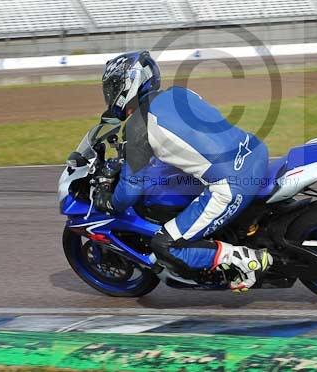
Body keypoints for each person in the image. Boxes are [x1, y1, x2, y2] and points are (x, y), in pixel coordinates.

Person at [92, 50, 272, 291]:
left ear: (129, 84)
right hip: (255, 152)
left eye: (114, 87)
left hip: (232, 184)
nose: (110, 94)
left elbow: (131, 190)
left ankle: (246, 260)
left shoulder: (138, 126)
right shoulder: (180, 93)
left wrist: (109, 202)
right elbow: (191, 138)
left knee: (166, 245)